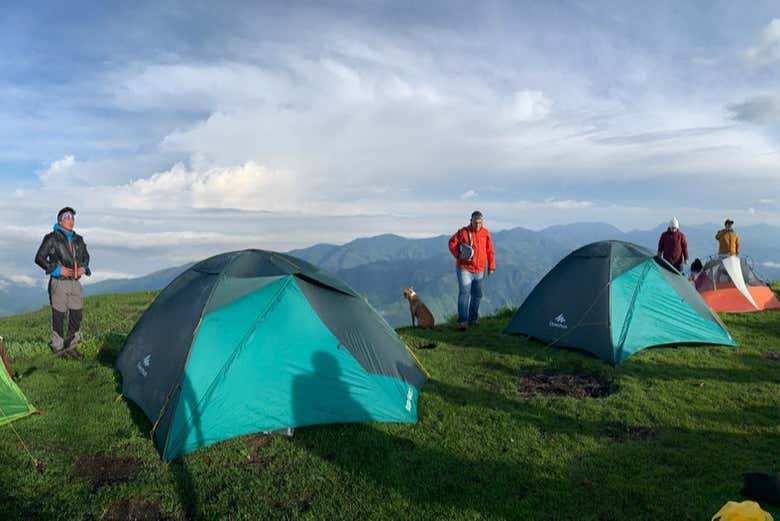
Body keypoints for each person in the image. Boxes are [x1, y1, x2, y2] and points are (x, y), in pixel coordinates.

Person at [34, 207, 91, 359]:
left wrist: (83, 268)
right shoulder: (52, 238)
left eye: (72, 217)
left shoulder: (79, 239)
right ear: (60, 220)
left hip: (75, 282)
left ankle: (72, 345)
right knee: (58, 315)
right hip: (59, 282)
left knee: (76, 314)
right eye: (67, 217)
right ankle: (58, 347)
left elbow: (86, 257)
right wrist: (57, 270)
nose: (70, 220)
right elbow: (39, 258)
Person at [447, 211, 496, 330]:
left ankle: (473, 319)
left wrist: (491, 266)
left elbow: (490, 250)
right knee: (464, 294)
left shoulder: (485, 233)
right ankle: (462, 321)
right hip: (464, 269)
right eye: (475, 222)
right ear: (471, 221)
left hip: (479, 270)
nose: (478, 225)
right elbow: (451, 243)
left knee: (477, 295)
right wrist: (458, 255)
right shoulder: (463, 232)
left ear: (482, 222)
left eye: (480, 222)